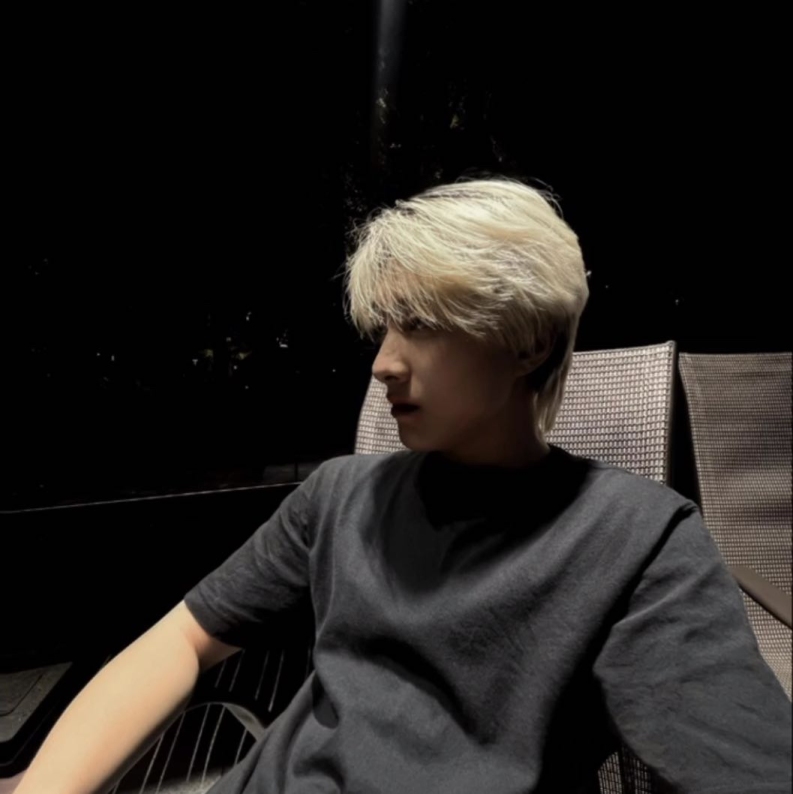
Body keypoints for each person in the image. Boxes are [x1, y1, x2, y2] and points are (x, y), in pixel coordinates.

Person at [17, 178, 791, 793]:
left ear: (527, 340)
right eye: (385, 326)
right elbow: (182, 638)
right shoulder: (338, 496)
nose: (383, 363)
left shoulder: (638, 540)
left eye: (419, 324)